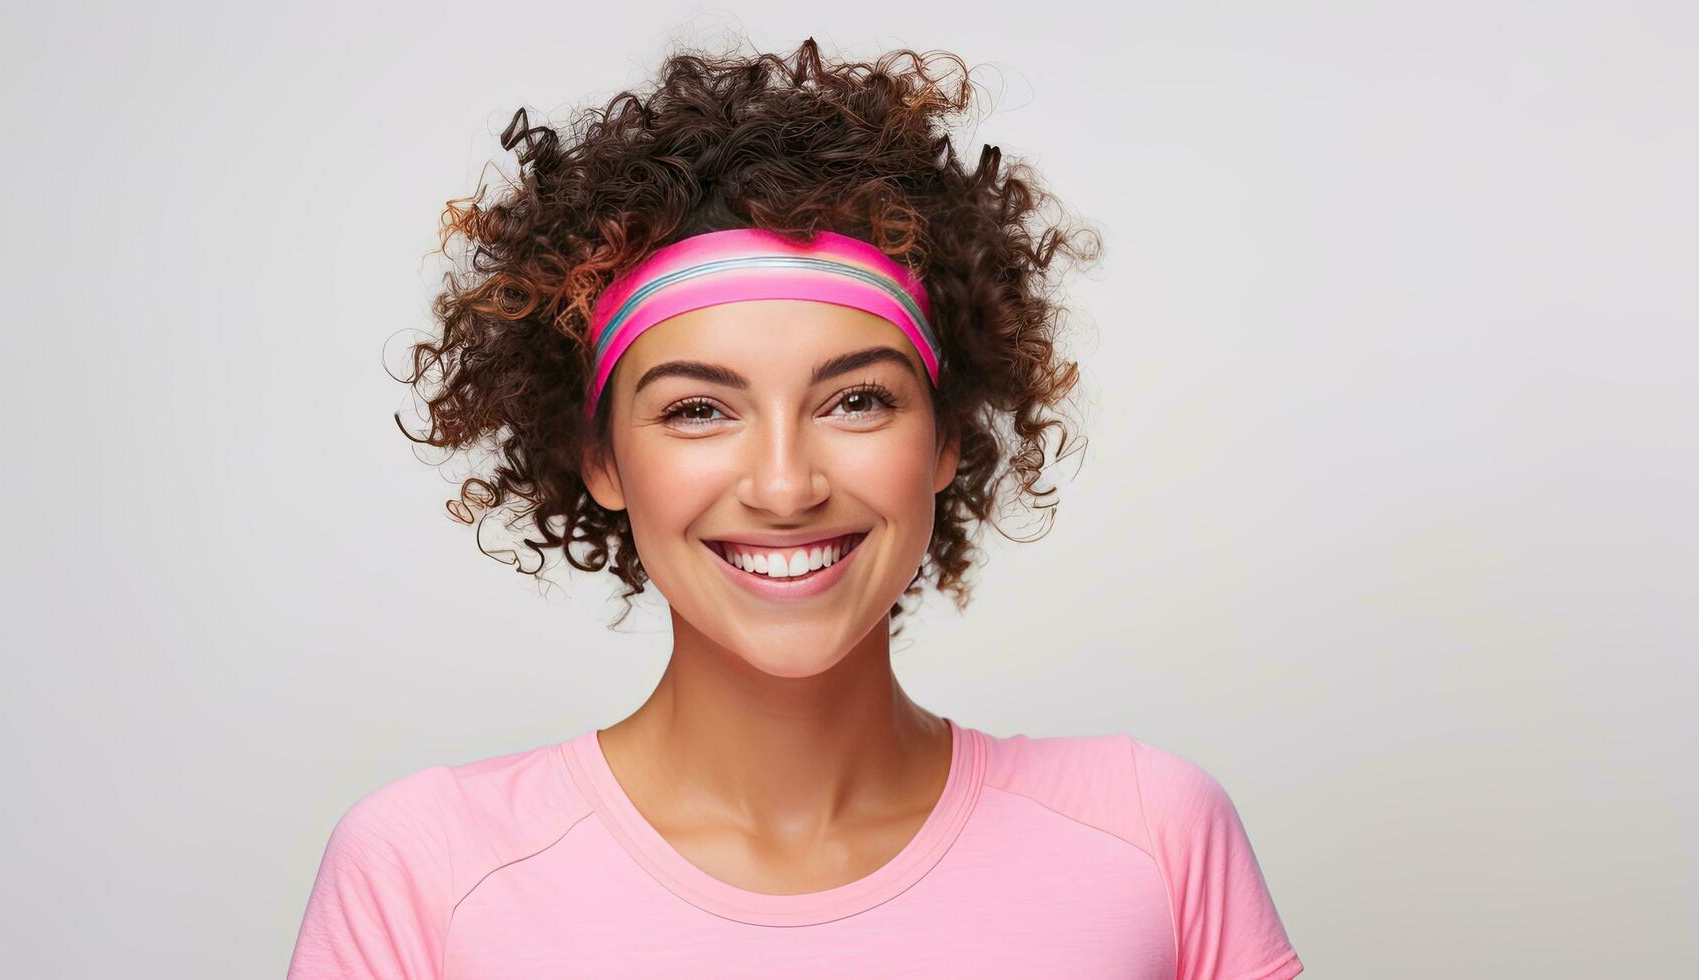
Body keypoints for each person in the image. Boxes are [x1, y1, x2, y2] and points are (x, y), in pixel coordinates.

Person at [288, 37, 1302, 979]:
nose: (783, 485)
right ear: (598, 457)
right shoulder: (425, 876)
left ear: (944, 437)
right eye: (695, 409)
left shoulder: (1149, 840)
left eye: (855, 399)